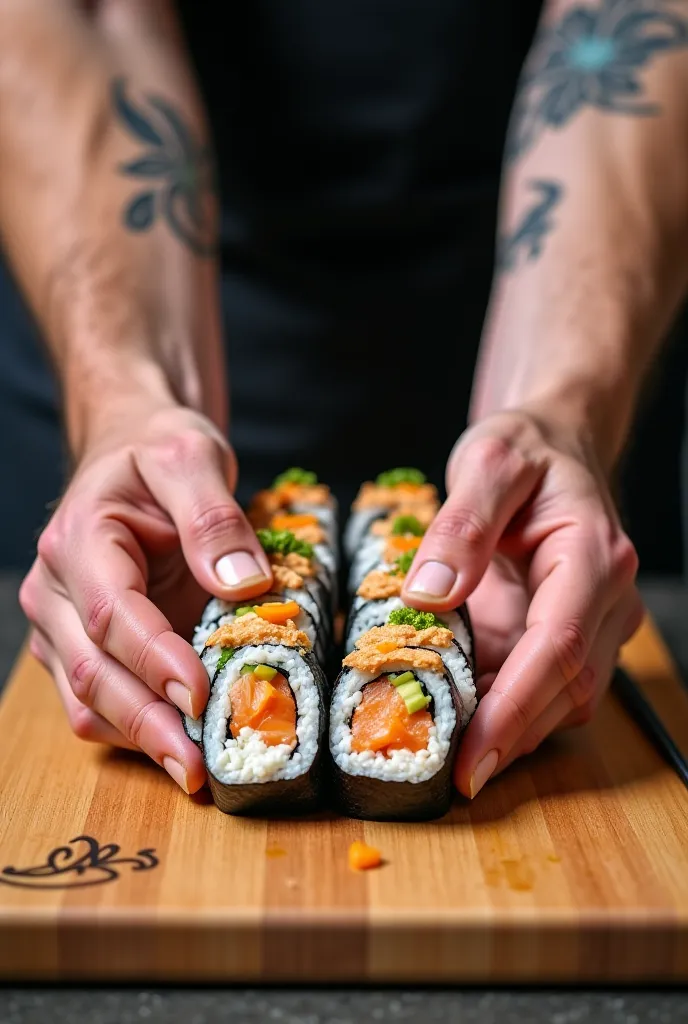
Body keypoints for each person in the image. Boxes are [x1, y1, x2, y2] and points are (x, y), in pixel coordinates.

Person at [5, 0, 685, 802]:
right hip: (147, 290)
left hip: (543, 271)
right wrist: (127, 404)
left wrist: (559, 406)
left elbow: (632, 21)